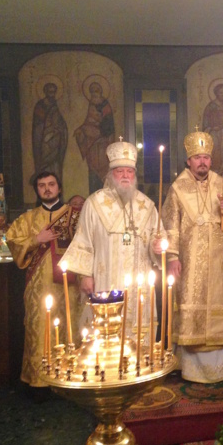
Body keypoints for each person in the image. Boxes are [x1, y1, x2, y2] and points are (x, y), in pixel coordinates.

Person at [60, 140, 164, 342]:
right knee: (105, 333)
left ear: (134, 175)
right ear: (110, 174)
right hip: (105, 280)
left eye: (129, 171)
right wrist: (85, 276)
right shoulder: (94, 203)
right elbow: (84, 241)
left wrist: (157, 247)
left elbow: (158, 237)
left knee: (139, 333)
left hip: (139, 282)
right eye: (120, 171)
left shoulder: (147, 205)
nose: (125, 176)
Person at [162, 129, 223, 383]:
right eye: (197, 158)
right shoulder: (177, 189)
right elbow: (169, 224)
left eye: (206, 157)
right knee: (190, 306)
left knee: (218, 308)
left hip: (218, 263)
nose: (202, 162)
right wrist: (173, 256)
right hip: (189, 263)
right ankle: (189, 368)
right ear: (189, 161)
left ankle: (220, 368)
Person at [6, 171, 82, 391]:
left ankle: (70, 379)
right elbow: (12, 240)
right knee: (39, 329)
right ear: (37, 190)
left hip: (70, 285)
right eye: (42, 185)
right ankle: (39, 382)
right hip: (39, 288)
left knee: (70, 327)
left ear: (59, 187)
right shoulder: (28, 219)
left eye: (51, 184)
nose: (47, 188)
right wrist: (36, 239)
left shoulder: (74, 216)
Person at [74, 82, 115, 185]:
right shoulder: (91, 104)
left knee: (102, 168)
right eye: (92, 91)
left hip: (102, 143)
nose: (94, 93)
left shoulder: (105, 105)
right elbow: (88, 121)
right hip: (91, 145)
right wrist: (82, 129)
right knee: (92, 167)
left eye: (96, 90)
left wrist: (95, 131)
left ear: (100, 91)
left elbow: (108, 126)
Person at [31, 82, 68, 185]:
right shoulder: (41, 105)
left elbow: (61, 123)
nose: (52, 94)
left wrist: (61, 129)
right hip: (45, 145)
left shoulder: (55, 105)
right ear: (45, 92)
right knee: (45, 168)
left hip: (56, 145)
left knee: (56, 168)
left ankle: (57, 193)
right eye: (50, 92)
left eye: (54, 92)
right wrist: (50, 129)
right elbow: (38, 126)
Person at [202, 83, 223, 175]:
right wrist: (213, 128)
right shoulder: (210, 106)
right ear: (216, 93)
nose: (222, 95)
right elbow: (206, 125)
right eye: (221, 93)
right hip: (214, 137)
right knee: (216, 158)